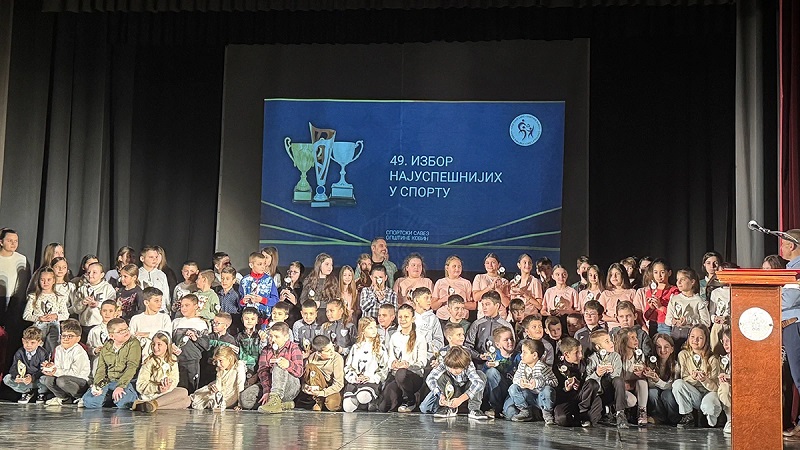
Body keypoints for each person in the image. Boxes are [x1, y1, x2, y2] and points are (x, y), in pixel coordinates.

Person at [240, 322, 304, 413]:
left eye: (276, 337)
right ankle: (283, 405)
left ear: (286, 337)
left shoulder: (294, 348)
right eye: (270, 336)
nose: (272, 339)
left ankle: (275, 400)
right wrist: (267, 391)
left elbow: (300, 372)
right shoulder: (266, 350)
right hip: (270, 385)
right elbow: (262, 372)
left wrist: (289, 365)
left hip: (289, 386)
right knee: (245, 399)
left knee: (278, 365)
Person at [81, 318, 142, 409]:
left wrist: (121, 386)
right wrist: (97, 386)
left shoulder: (134, 343)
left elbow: (132, 366)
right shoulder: (107, 346)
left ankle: (112, 398)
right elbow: (101, 369)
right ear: (112, 336)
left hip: (125, 381)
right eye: (121, 331)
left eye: (126, 329)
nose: (126, 332)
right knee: (91, 403)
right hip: (108, 381)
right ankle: (107, 398)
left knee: (125, 403)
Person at [379, 304, 428, 412]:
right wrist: (393, 363)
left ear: (413, 319)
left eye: (406, 317)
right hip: (396, 375)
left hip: (413, 376)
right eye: (400, 317)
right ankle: (400, 399)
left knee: (401, 373)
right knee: (384, 407)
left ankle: (410, 400)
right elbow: (390, 357)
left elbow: (422, 362)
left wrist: (408, 366)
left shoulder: (420, 338)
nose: (403, 319)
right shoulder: (395, 337)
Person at [672, 324, 721, 428]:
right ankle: (687, 415)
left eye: (700, 338)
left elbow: (716, 387)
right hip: (694, 393)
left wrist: (705, 380)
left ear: (706, 340)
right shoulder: (683, 355)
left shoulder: (713, 359)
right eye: (692, 336)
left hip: (709, 392)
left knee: (709, 408)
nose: (695, 340)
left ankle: (708, 417)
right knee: (677, 384)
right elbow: (684, 379)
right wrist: (693, 378)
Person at [132, 331, 191, 412]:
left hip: (166, 393)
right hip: (152, 394)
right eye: (153, 344)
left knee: (187, 401)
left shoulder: (172, 359)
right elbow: (140, 386)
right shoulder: (149, 362)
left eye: (159, 344)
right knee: (183, 392)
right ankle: (153, 403)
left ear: (167, 346)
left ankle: (150, 406)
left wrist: (168, 386)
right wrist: (157, 388)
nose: (155, 347)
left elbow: (175, 379)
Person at [425, 346, 487, 419]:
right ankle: (449, 407)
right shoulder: (445, 363)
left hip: (467, 389)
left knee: (480, 375)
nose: (453, 371)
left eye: (456, 368)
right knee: (441, 376)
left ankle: (474, 409)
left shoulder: (468, 364)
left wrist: (461, 399)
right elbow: (430, 378)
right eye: (450, 368)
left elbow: (478, 383)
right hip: (453, 387)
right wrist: (440, 394)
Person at [504, 338, 557, 423]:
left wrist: (538, 383)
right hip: (528, 396)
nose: (521, 355)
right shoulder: (522, 364)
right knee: (513, 388)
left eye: (524, 352)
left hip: (540, 397)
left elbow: (554, 382)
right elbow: (516, 378)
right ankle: (525, 411)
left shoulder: (543, 367)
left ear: (534, 355)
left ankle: (547, 413)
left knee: (547, 390)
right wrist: (521, 382)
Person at [552, 336, 602, 427]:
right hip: (567, 400)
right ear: (566, 354)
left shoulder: (586, 364)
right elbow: (556, 393)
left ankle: (583, 413)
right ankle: (579, 420)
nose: (580, 355)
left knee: (593, 384)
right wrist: (566, 389)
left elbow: (591, 386)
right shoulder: (557, 368)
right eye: (576, 353)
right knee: (561, 418)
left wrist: (581, 384)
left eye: (581, 351)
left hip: (584, 399)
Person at [342, 317, 389, 412]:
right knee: (348, 408)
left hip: (371, 381)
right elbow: (348, 366)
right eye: (370, 328)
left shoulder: (380, 348)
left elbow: (384, 368)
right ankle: (362, 404)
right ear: (363, 330)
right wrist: (355, 377)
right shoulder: (356, 347)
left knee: (363, 397)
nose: (374, 330)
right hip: (356, 381)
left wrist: (371, 377)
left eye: (375, 327)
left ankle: (373, 400)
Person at [585, 329, 629, 428]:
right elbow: (587, 381)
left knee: (618, 380)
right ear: (598, 347)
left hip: (612, 392)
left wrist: (611, 372)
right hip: (598, 394)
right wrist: (597, 374)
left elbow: (617, 376)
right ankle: (605, 411)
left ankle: (620, 413)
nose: (611, 343)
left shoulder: (615, 357)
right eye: (607, 341)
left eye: (610, 340)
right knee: (593, 419)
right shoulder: (591, 359)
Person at [40, 319, 91, 405]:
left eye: (70, 336)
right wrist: (50, 368)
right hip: (63, 377)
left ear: (78, 338)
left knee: (61, 380)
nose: (66, 339)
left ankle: (80, 397)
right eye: (64, 336)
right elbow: (58, 367)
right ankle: (63, 398)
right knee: (47, 379)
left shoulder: (79, 351)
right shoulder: (58, 349)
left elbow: (75, 373)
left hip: (80, 381)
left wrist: (56, 372)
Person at [172, 294, 211, 394]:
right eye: (182, 305)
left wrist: (196, 338)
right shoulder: (176, 322)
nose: (183, 308)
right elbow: (169, 339)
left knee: (191, 387)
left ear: (195, 306)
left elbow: (206, 345)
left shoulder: (201, 323)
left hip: (191, 360)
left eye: (187, 305)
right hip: (176, 360)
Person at [23, 266, 68, 354]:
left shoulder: (59, 297)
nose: (45, 282)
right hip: (38, 327)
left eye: (49, 280)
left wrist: (56, 316)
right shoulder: (34, 297)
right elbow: (26, 315)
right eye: (42, 280)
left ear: (54, 281)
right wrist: (39, 318)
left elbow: (66, 314)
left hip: (54, 327)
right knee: (37, 350)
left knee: (53, 349)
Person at [465, 291, 513, 368]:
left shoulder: (506, 326)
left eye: (487, 304)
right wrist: (479, 356)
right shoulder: (476, 324)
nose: (484, 308)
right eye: (482, 304)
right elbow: (467, 346)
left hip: (500, 365)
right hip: (479, 365)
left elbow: (511, 348)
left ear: (497, 305)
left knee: (492, 372)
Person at [191, 345, 247, 410]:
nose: (218, 364)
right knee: (199, 395)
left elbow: (240, 385)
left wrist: (240, 404)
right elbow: (218, 385)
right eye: (216, 361)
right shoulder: (220, 369)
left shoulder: (238, 366)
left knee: (207, 400)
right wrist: (216, 391)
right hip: (220, 393)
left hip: (229, 396)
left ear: (229, 358)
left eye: (220, 361)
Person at [665, 268, 710, 349]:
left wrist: (689, 321)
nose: (678, 282)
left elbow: (706, 323)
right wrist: (673, 321)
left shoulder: (698, 300)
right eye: (677, 279)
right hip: (675, 334)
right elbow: (667, 320)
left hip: (692, 336)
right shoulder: (674, 298)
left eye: (682, 279)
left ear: (692, 282)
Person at [3, 326, 49, 403]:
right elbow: (14, 367)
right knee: (7, 378)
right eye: (26, 342)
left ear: (39, 343)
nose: (28, 345)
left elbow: (43, 370)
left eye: (32, 343)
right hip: (24, 380)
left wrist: (32, 377)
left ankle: (41, 393)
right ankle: (27, 391)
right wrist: (17, 375)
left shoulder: (43, 353)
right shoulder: (20, 352)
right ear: (23, 341)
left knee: (45, 378)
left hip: (37, 379)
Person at [70, 261, 116, 338]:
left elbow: (112, 306)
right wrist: (83, 303)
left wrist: (98, 304)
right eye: (89, 272)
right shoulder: (82, 289)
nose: (90, 275)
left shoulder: (108, 288)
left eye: (94, 272)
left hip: (100, 326)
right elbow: (76, 309)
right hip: (84, 326)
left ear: (102, 275)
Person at [644, 333, 682, 425]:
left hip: (669, 394)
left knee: (667, 394)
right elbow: (649, 385)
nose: (663, 350)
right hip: (656, 394)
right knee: (652, 392)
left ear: (672, 349)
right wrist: (652, 379)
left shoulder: (675, 365)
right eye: (659, 347)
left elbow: (672, 386)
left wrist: (658, 381)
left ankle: (674, 419)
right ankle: (659, 417)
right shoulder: (651, 363)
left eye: (666, 347)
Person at [300, 334, 345, 411]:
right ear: (318, 353)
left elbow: (339, 384)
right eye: (328, 351)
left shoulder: (337, 358)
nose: (332, 352)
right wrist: (306, 388)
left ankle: (323, 400)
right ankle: (319, 401)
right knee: (310, 367)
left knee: (332, 405)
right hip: (317, 387)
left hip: (331, 388)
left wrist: (321, 393)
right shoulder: (311, 358)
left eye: (332, 347)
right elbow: (304, 381)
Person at [614, 327, 649, 426]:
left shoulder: (639, 354)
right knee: (631, 401)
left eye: (636, 337)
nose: (636, 340)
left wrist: (643, 373)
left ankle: (642, 411)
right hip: (621, 388)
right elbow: (616, 377)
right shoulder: (616, 356)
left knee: (642, 382)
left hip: (633, 385)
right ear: (624, 340)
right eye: (632, 338)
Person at [483, 326, 519, 416]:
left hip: (512, 392)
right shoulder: (493, 357)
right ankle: (495, 407)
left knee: (511, 414)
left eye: (511, 339)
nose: (510, 342)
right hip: (499, 390)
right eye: (506, 340)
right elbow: (484, 376)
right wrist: (487, 366)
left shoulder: (520, 356)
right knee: (491, 372)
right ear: (498, 345)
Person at [129, 287, 173, 358]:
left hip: (160, 357)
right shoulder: (136, 319)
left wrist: (148, 334)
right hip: (140, 356)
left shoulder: (164, 317)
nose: (160, 304)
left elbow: (167, 337)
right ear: (146, 302)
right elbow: (132, 338)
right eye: (156, 301)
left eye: (161, 300)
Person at [239, 252, 279, 325]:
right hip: (248, 319)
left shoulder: (269, 280)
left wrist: (262, 300)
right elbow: (239, 301)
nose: (263, 267)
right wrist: (243, 301)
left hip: (264, 319)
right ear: (251, 265)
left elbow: (275, 300)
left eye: (264, 264)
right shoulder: (244, 281)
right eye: (260, 264)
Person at [299, 253, 339, 324]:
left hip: (327, 318)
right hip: (311, 318)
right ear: (319, 265)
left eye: (331, 265)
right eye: (327, 264)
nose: (330, 267)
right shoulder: (309, 280)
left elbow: (336, 301)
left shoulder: (334, 281)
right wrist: (312, 304)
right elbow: (303, 300)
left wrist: (320, 304)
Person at [432, 255, 474, 322]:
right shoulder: (440, 282)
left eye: (459, 266)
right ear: (447, 268)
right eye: (454, 266)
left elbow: (473, 306)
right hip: (443, 319)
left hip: (461, 320)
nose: (457, 269)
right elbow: (433, 306)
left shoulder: (466, 283)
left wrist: (459, 304)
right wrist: (442, 300)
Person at [643, 259, 679, 335]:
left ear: (669, 273)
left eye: (662, 272)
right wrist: (651, 308)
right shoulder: (650, 291)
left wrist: (661, 307)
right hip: (653, 324)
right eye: (655, 272)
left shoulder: (674, 291)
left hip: (667, 325)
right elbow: (646, 316)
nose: (659, 276)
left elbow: (676, 314)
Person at [597, 263, 635, 330]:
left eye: (617, 274)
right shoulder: (606, 294)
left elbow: (636, 312)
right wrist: (614, 319)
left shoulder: (632, 292)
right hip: (612, 328)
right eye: (611, 274)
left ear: (623, 275)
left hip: (629, 329)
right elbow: (599, 314)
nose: (614, 277)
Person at [472, 253, 510, 319]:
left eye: (493, 262)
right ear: (484, 265)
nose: (490, 265)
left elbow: (506, 303)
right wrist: (490, 287)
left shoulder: (504, 281)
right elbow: (476, 298)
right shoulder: (479, 277)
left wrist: (498, 289)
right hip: (483, 317)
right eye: (487, 263)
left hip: (500, 317)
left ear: (498, 265)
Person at [411, 287, 444, 361]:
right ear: (416, 300)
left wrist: (426, 346)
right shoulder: (409, 316)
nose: (429, 301)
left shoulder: (433, 318)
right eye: (426, 298)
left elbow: (439, 340)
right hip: (410, 358)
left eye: (430, 298)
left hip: (428, 358)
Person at [87, 300, 120, 373]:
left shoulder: (121, 330)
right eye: (104, 311)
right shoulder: (94, 330)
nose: (107, 314)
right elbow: (88, 347)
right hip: (98, 365)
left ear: (116, 312)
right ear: (100, 312)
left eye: (110, 311)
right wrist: (95, 350)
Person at [236, 307, 268, 376]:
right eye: (246, 319)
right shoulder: (239, 336)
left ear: (257, 321)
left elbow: (263, 352)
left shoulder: (260, 335)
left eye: (253, 319)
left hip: (257, 366)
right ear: (242, 320)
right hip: (242, 366)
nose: (249, 321)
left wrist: (263, 340)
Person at [139, 245, 171, 313]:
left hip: (160, 311)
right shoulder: (137, 274)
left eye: (156, 257)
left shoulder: (161, 274)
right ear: (142, 258)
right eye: (151, 257)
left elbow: (166, 294)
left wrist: (167, 310)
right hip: (143, 311)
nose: (154, 259)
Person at [215, 265, 243, 334]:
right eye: (222, 278)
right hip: (219, 324)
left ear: (234, 281)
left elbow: (239, 310)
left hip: (232, 325)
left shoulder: (236, 295)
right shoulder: (217, 293)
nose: (224, 281)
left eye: (227, 279)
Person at [717, 328, 732, 434]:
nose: (725, 344)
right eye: (723, 341)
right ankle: (730, 419)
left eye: (728, 340)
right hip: (727, 389)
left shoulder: (744, 358)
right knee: (724, 387)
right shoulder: (722, 359)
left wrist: (731, 377)